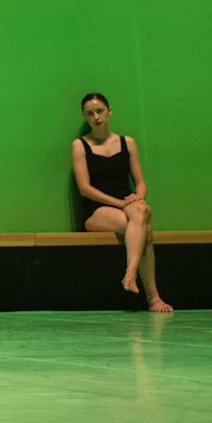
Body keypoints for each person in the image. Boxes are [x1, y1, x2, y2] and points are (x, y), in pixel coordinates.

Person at [71, 92, 171, 311]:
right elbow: (85, 189)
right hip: (97, 210)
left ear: (109, 111)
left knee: (141, 211)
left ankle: (131, 272)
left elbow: (140, 182)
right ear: (85, 117)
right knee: (145, 231)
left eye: (99, 111)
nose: (96, 117)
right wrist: (119, 203)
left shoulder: (128, 143)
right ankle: (152, 296)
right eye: (90, 113)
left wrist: (138, 196)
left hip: (127, 206)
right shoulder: (80, 145)